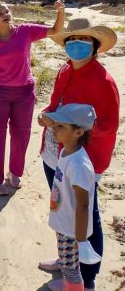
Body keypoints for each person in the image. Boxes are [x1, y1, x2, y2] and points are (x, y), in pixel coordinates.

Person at [38, 18, 119, 291]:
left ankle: (87, 278)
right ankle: (66, 262)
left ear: (95, 47)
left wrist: (76, 129)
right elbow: (55, 102)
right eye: (71, 41)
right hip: (55, 151)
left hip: (82, 159)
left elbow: (108, 125)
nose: (76, 46)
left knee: (85, 215)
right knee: (62, 209)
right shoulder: (64, 70)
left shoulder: (103, 81)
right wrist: (48, 116)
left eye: (83, 42)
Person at [0, 0, 65, 195]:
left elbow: (55, 31)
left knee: (21, 134)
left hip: (24, 92)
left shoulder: (25, 31)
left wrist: (60, 12)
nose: (5, 14)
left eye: (6, 11)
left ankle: (15, 173)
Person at [42, 104, 101, 291]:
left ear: (78, 132)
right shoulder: (65, 151)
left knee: (71, 269)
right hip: (64, 221)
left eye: (61, 126)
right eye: (55, 124)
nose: (54, 128)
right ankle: (67, 275)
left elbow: (84, 205)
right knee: (67, 260)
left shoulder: (79, 165)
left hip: (72, 229)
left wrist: (81, 239)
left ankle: (73, 287)